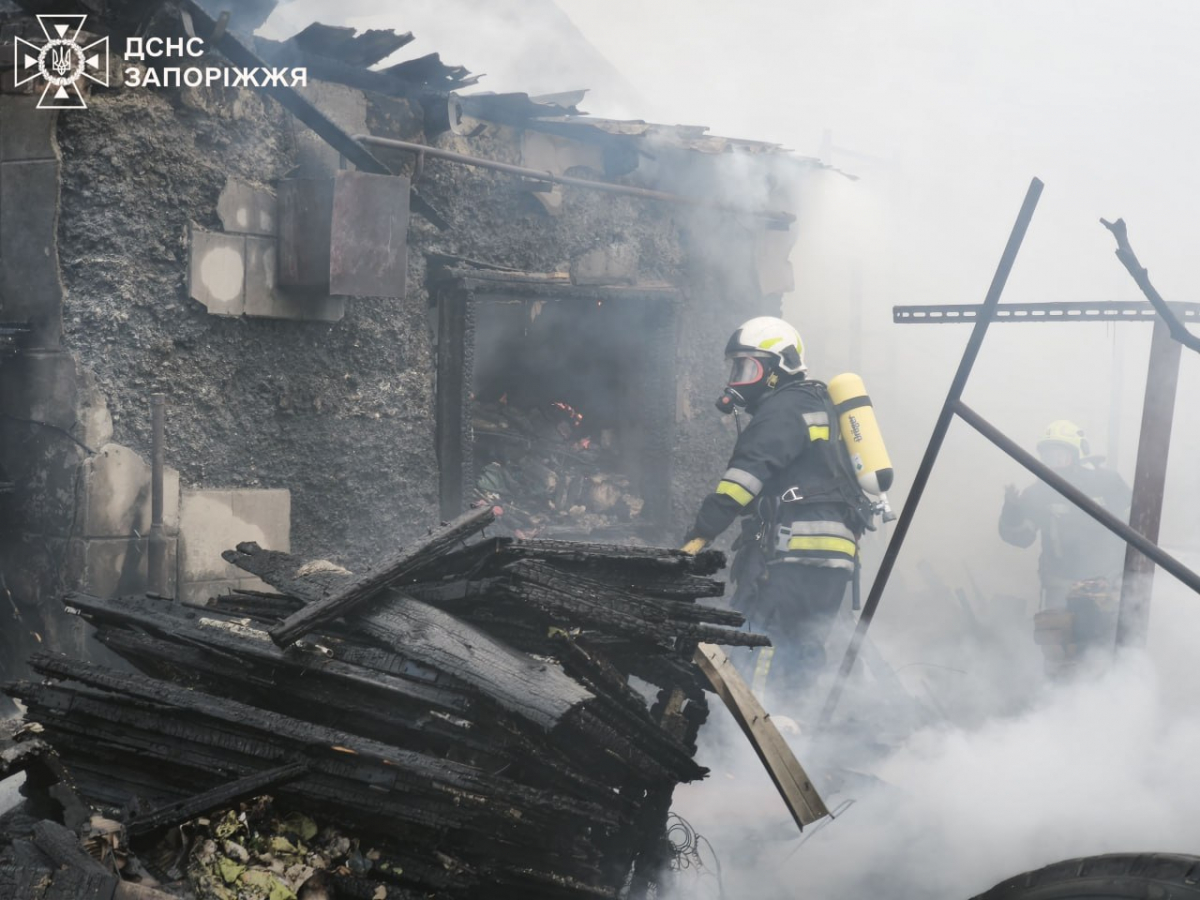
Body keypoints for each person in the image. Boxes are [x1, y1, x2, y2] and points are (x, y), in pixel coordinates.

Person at [684, 316, 872, 702]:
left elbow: (744, 479)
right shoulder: (823, 405)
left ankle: (758, 735)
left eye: (747, 367)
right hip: (834, 558)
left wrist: (699, 535)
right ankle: (796, 729)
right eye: (735, 368)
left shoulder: (783, 408)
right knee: (804, 646)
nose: (737, 380)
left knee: (761, 642)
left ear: (778, 366)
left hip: (792, 551)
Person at [999, 419, 1132, 610]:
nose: (1054, 464)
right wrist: (1012, 512)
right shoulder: (1037, 494)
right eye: (1048, 457)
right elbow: (1021, 538)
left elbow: (1137, 526)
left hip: (1109, 584)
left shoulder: (1108, 483)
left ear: (1077, 455)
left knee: (1110, 636)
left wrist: (1129, 577)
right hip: (1061, 588)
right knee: (1058, 634)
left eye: (1060, 456)